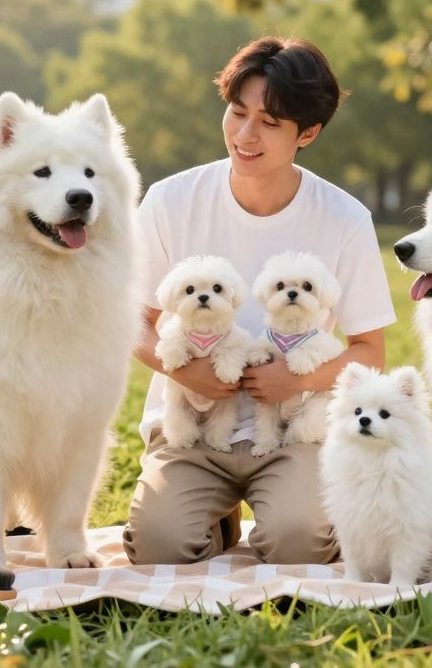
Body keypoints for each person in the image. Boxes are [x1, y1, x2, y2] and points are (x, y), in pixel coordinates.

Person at [123, 37, 396, 565]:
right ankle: (215, 515)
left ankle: (298, 507)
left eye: (269, 123)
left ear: (307, 133)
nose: (245, 135)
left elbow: (370, 351)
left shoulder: (344, 217)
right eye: (237, 112)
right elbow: (133, 321)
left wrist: (293, 381)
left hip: (297, 429)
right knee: (159, 547)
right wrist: (188, 373)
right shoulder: (171, 199)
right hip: (192, 425)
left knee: (298, 545)